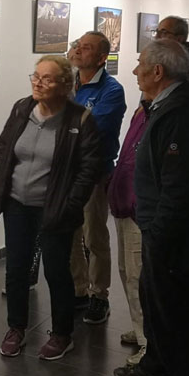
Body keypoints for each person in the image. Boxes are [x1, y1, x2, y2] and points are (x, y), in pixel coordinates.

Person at [113, 39, 189, 376]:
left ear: (157, 71)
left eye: (140, 63)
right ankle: (157, 364)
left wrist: (159, 235)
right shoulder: (166, 105)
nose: (135, 70)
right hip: (159, 229)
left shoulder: (181, 113)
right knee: (155, 303)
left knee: (174, 311)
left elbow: (180, 186)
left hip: (171, 235)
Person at [0, 55, 102, 360]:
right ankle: (16, 328)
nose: (38, 83)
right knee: (16, 269)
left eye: (47, 79)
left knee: (56, 271)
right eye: (36, 76)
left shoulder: (79, 120)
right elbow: (5, 149)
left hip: (55, 209)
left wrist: (70, 205)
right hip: (17, 204)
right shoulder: (22, 109)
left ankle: (62, 334)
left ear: (64, 85)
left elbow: (88, 170)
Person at [65, 31, 126, 324]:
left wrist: (63, 124)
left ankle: (99, 295)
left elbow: (92, 130)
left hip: (93, 172)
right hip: (65, 173)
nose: (79, 50)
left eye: (86, 48)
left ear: (102, 58)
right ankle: (79, 290)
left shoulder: (112, 90)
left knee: (94, 236)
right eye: (78, 45)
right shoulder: (68, 83)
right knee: (69, 234)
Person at [106, 101, 148, 365]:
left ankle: (148, 342)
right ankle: (140, 328)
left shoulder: (161, 113)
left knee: (137, 275)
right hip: (124, 203)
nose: (137, 80)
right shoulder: (143, 110)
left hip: (137, 209)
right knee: (126, 271)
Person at [154, 16, 189, 91]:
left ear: (179, 38)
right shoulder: (157, 57)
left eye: (163, 32)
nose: (157, 37)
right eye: (157, 31)